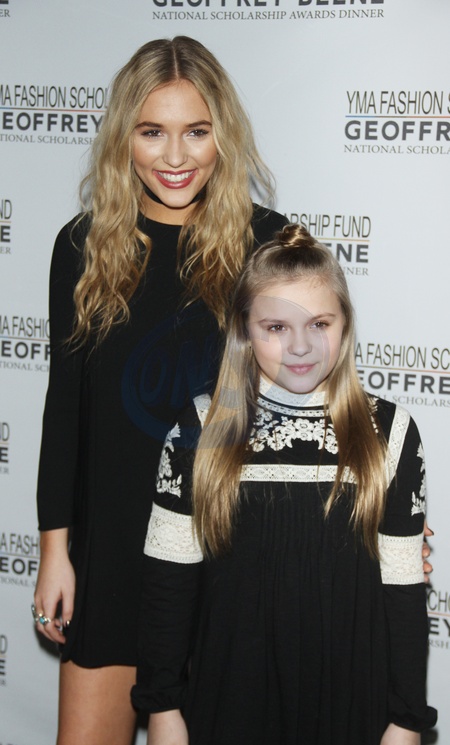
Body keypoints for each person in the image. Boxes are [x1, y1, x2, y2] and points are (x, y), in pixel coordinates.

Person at [32, 36, 289, 745]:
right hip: (113, 554)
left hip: (227, 556)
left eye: (196, 131)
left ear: (222, 135)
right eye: (152, 132)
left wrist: (378, 506)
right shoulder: (82, 247)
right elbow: (65, 410)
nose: (175, 156)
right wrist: (55, 550)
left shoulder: (270, 245)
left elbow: (314, 401)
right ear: (124, 136)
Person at [132, 224, 437, 745]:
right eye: (276, 326)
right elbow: (168, 584)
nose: (300, 346)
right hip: (228, 704)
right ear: (244, 331)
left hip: (352, 708)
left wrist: (407, 720)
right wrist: (162, 708)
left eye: (319, 323)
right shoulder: (198, 428)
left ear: (345, 324)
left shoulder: (391, 433)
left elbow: (404, 595)